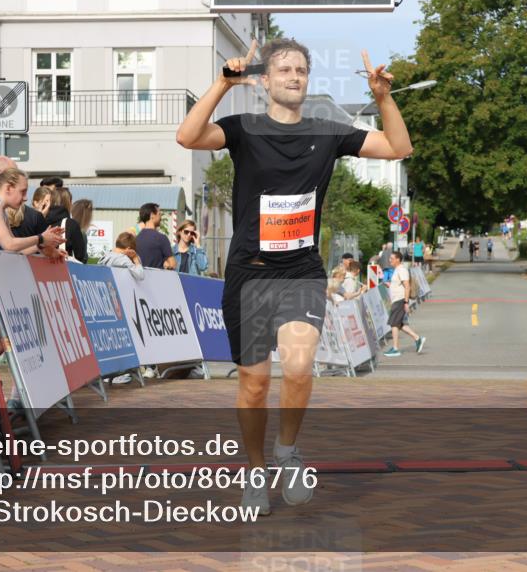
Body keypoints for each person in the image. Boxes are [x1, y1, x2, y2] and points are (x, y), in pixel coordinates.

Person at [176, 37, 414, 515]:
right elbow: (187, 136)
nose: (294, 77)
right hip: (249, 274)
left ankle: (286, 450)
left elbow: (398, 147)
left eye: (301, 70)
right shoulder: (243, 129)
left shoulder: (327, 133)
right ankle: (255, 470)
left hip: (301, 270)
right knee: (254, 385)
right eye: (284, 70)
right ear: (264, 81)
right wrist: (223, 84)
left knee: (301, 366)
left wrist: (383, 97)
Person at [0, 168, 63, 254]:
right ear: (8, 188)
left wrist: (41, 245)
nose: (25, 198)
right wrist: (41, 238)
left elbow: (15, 250)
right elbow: (9, 245)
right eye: (23, 192)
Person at [383, 251, 426, 357]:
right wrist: (390, 285)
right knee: (399, 324)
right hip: (397, 300)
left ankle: (395, 348)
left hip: (400, 300)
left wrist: (406, 302)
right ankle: (417, 338)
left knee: (394, 323)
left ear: (398, 259)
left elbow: (407, 286)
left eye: (392, 258)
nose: (390, 260)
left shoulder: (402, 270)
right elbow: (399, 284)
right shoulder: (397, 270)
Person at [44, 187, 88, 263]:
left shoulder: (40, 220)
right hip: (63, 267)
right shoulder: (71, 224)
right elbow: (80, 255)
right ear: (68, 202)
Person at [135, 202, 175, 269]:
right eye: (159, 214)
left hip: (140, 275)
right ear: (152, 215)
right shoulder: (161, 238)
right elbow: (172, 264)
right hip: (156, 275)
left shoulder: (136, 238)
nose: (160, 217)